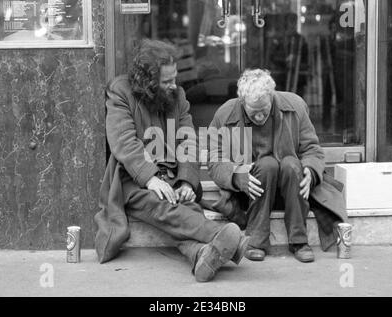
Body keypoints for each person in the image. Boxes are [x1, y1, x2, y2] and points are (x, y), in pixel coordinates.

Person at [94, 39, 248, 282]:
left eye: (174, 78)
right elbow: (123, 140)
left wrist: (187, 181)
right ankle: (223, 235)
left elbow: (188, 141)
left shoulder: (178, 96)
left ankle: (201, 256)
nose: (173, 85)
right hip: (131, 179)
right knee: (162, 206)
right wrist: (151, 178)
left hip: (172, 173)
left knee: (186, 205)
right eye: (166, 81)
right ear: (147, 81)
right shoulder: (120, 92)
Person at [207, 69, 347, 263]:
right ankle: (256, 240)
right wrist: (236, 176)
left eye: (264, 110)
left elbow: (312, 149)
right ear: (241, 102)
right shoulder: (225, 113)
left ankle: (299, 240)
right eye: (253, 112)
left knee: (291, 163)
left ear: (271, 97)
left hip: (293, 190)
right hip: (250, 193)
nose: (259, 117)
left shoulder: (295, 106)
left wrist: (311, 171)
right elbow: (214, 160)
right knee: (267, 165)